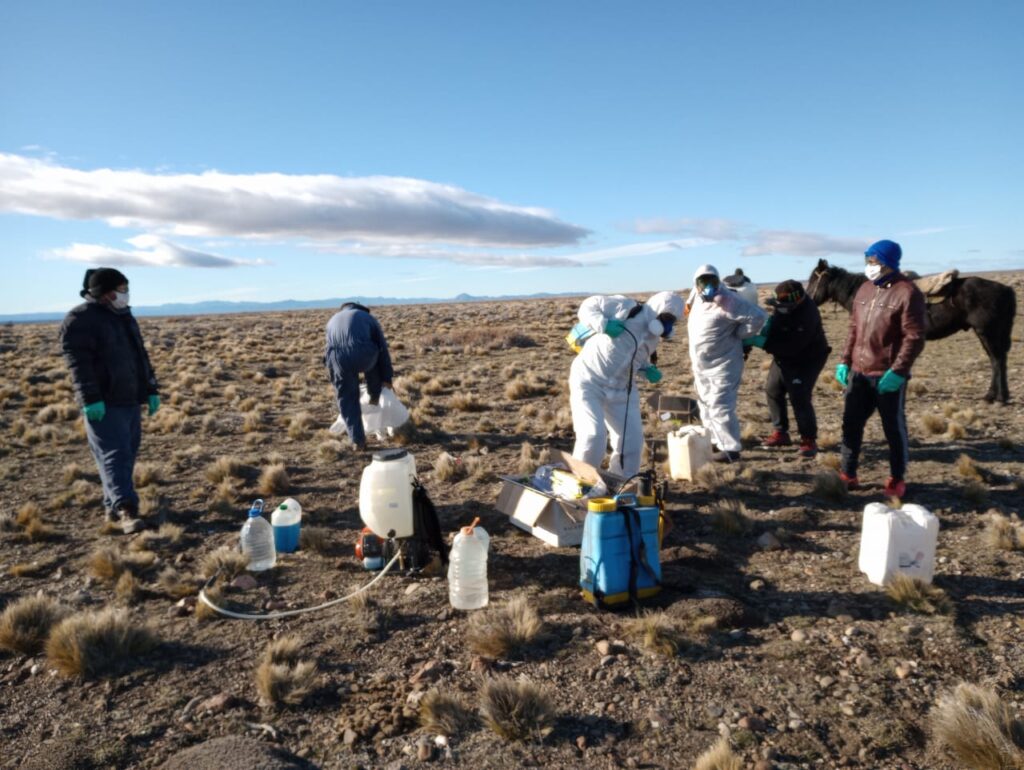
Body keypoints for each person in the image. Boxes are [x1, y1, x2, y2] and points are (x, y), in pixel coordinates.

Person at [59, 268, 161, 534]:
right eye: (121, 288)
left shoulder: (123, 316)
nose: (125, 293)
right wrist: (91, 398)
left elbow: (139, 355)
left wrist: (150, 389)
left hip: (128, 398)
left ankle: (112, 506)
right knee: (115, 455)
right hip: (103, 402)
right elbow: (78, 364)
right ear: (105, 292)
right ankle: (127, 510)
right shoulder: (80, 320)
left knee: (124, 454)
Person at [836, 240, 926, 498]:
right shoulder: (864, 290)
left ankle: (897, 478)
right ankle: (848, 472)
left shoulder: (907, 293)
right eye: (868, 260)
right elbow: (854, 328)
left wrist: (898, 371)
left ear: (888, 262)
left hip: (886, 375)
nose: (869, 266)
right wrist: (844, 360)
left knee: (893, 428)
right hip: (858, 372)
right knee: (850, 424)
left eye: (873, 261)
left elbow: (915, 336)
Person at [569, 291, 685, 477]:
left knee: (632, 442)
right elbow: (587, 306)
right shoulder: (625, 307)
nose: (666, 324)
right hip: (589, 381)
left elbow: (630, 358)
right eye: (665, 317)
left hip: (622, 389)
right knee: (593, 436)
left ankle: (621, 482)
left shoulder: (653, 338)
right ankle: (580, 483)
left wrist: (646, 369)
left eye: (672, 320)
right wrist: (603, 324)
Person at [686, 264, 767, 463]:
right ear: (696, 283)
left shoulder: (729, 301)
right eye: (702, 282)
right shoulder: (696, 295)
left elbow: (758, 316)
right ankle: (714, 439)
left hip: (724, 362)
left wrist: (741, 334)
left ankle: (731, 448)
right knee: (705, 403)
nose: (707, 287)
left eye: (711, 282)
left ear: (718, 281)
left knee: (720, 404)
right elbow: (688, 305)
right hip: (701, 362)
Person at [744, 279, 830, 458]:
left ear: (798, 300)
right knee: (773, 389)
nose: (780, 307)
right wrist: (768, 329)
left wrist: (763, 342)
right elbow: (778, 326)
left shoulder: (808, 314)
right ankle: (781, 432)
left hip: (807, 358)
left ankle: (808, 439)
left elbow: (792, 347)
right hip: (784, 355)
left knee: (799, 395)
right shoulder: (783, 305)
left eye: (784, 305)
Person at [324, 302, 394, 450]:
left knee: (347, 398)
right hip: (363, 355)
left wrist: (334, 375)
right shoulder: (367, 318)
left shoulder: (332, 320)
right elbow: (383, 349)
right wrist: (387, 378)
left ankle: (358, 441)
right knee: (373, 356)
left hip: (338, 359)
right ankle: (374, 395)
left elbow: (328, 350)